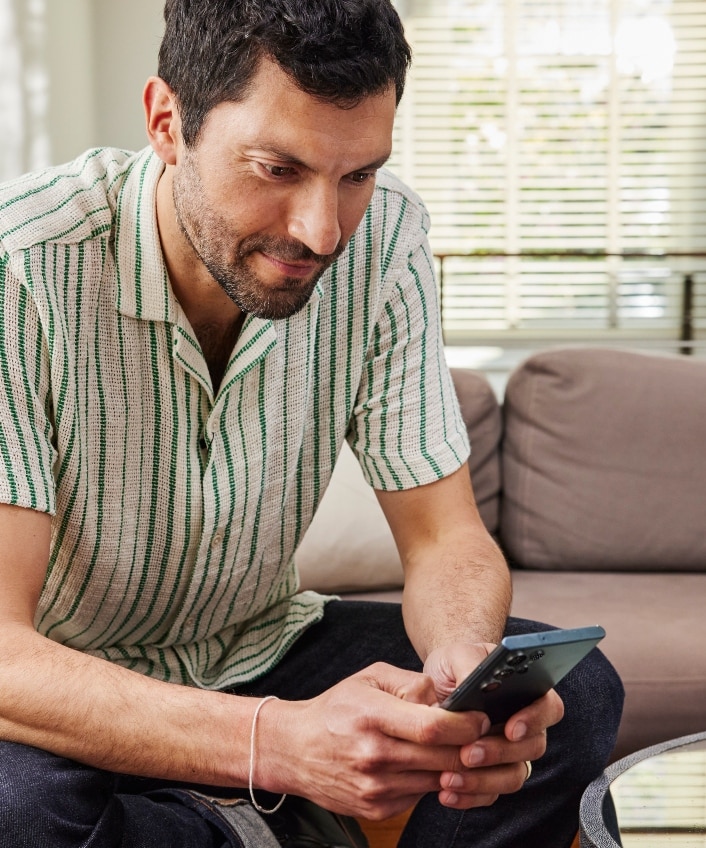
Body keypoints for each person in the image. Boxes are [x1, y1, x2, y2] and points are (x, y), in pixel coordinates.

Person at [0, 1, 623, 846]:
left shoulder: (387, 239)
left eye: (358, 174)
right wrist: (276, 746)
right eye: (277, 168)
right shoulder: (24, 268)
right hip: (76, 689)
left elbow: (444, 540)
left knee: (567, 699)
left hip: (261, 647)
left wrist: (458, 671)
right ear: (166, 122)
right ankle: (262, 820)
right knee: (18, 810)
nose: (322, 230)